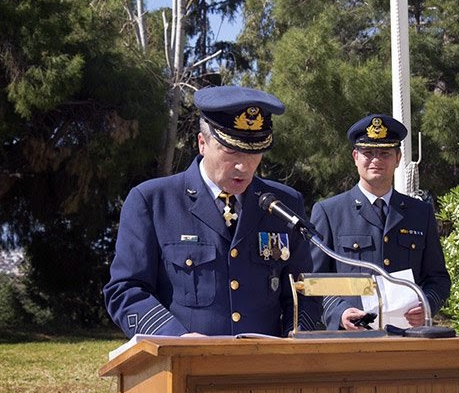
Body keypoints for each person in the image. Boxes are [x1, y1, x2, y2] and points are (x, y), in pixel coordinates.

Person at [104, 85, 321, 338]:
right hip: (184, 367)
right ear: (202, 143)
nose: (244, 165)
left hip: (265, 368)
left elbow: (304, 291)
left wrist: (298, 340)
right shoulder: (153, 202)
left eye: (254, 153)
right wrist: (175, 339)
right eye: (232, 151)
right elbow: (126, 289)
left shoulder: (284, 204)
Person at [309, 113, 450, 330]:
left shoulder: (420, 213)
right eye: (368, 153)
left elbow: (438, 278)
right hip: (349, 341)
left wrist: (427, 304)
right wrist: (340, 312)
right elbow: (314, 281)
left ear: (398, 158)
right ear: (355, 156)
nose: (376, 160)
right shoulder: (329, 212)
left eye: (384, 153)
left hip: (407, 338)